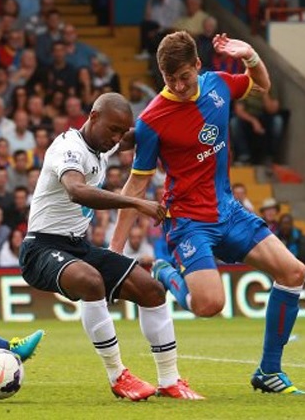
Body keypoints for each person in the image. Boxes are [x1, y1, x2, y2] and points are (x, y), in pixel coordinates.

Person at [110, 31, 305, 395]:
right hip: (188, 222)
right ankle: (167, 272)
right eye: (170, 80)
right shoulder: (153, 120)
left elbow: (262, 84)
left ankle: (269, 371)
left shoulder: (217, 85)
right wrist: (114, 252)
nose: (180, 86)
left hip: (229, 211)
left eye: (185, 76)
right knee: (210, 305)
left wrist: (249, 55)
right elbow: (135, 188)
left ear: (198, 65)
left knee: (294, 273)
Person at [19, 92, 202, 401]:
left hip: (77, 246)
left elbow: (137, 134)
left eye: (120, 131)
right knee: (91, 282)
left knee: (152, 291)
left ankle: (170, 380)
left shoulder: (104, 140)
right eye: (112, 130)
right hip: (40, 249)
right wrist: (134, 201)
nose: (116, 138)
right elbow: (77, 191)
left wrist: (177, 108)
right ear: (92, 117)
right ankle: (118, 376)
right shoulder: (68, 148)